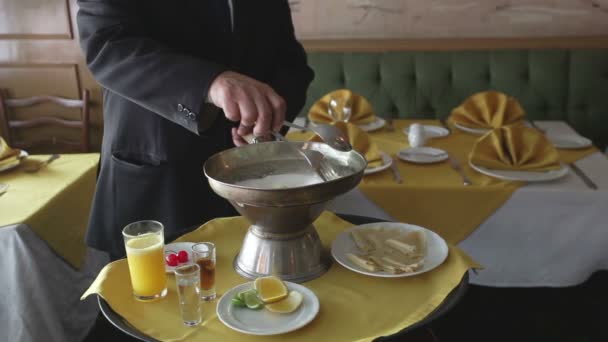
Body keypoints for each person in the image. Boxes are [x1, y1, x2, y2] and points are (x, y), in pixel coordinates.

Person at [77, 0, 314, 261]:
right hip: (158, 180)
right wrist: (208, 83)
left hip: (250, 185)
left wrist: (267, 118)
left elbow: (290, 64)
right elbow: (107, 46)